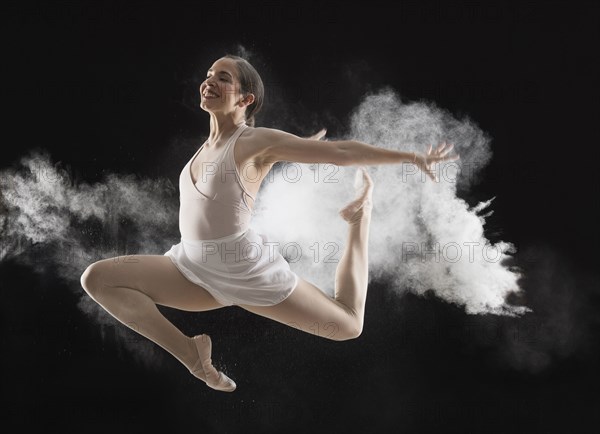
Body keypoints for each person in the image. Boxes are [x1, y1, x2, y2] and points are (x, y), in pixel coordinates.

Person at [80, 54, 458, 392]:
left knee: (347, 325)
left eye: (223, 77)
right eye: (210, 73)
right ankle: (194, 357)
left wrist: (410, 157)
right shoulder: (203, 148)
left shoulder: (253, 141)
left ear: (246, 100)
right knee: (98, 278)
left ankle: (361, 217)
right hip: (193, 269)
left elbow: (340, 151)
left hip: (245, 271)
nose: (210, 80)